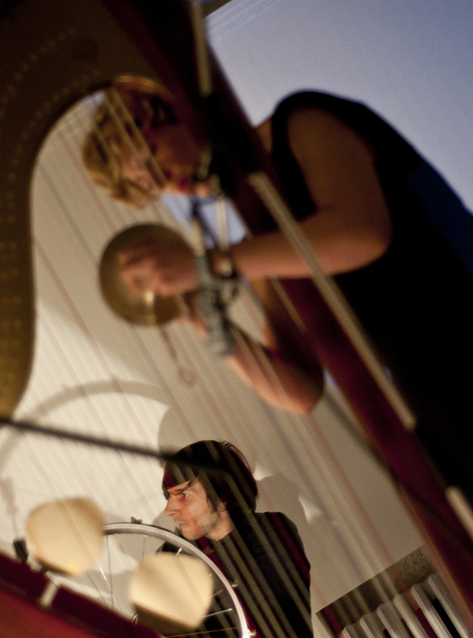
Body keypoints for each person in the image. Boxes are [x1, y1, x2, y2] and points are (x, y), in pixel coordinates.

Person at [83, 83, 473, 501]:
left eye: (152, 157)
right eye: (151, 183)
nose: (168, 182)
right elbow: (300, 389)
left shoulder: (302, 119)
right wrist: (197, 315)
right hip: (440, 409)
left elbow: (363, 233)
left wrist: (209, 265)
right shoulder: (262, 233)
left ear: (171, 108)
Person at [161, 439, 349, 638]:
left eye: (183, 495)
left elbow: (269, 617)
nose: (169, 509)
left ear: (223, 495)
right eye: (169, 497)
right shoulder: (175, 556)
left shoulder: (273, 531)